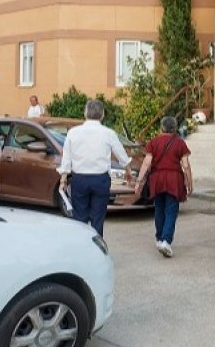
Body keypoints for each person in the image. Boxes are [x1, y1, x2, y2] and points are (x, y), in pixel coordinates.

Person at [58, 99, 131, 236]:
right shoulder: (108, 133)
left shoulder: (73, 132)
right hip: (100, 180)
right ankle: (97, 248)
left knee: (80, 218)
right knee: (98, 218)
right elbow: (121, 154)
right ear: (102, 114)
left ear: (85, 113)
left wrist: (63, 179)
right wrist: (128, 171)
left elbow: (66, 159)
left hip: (79, 179)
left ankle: (81, 248)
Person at [133, 116, 193, 257]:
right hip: (174, 179)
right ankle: (166, 240)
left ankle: (159, 238)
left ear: (161, 128)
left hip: (157, 179)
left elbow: (147, 163)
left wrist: (139, 182)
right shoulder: (179, 143)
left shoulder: (154, 142)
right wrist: (190, 183)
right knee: (171, 210)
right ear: (174, 128)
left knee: (159, 209)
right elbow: (185, 165)